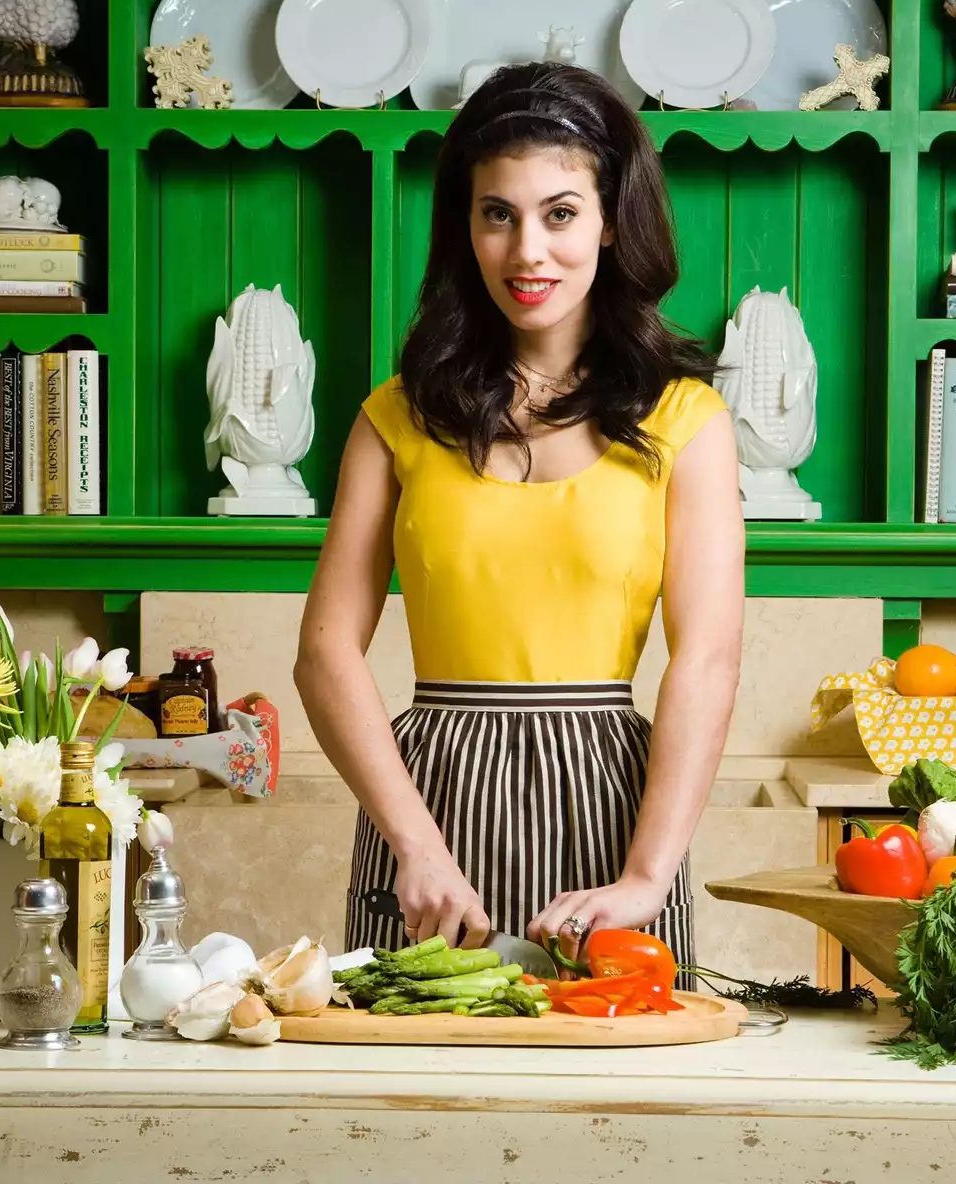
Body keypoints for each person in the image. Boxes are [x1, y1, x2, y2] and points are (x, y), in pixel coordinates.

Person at [293, 62, 744, 971]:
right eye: (498, 213)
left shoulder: (686, 421)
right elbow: (325, 653)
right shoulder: (395, 416)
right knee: (414, 1089)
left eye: (561, 213)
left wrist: (648, 875)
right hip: (428, 807)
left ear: (613, 221)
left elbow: (707, 660)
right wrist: (414, 848)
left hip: (612, 806)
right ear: (467, 228)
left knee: (615, 1090)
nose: (527, 250)